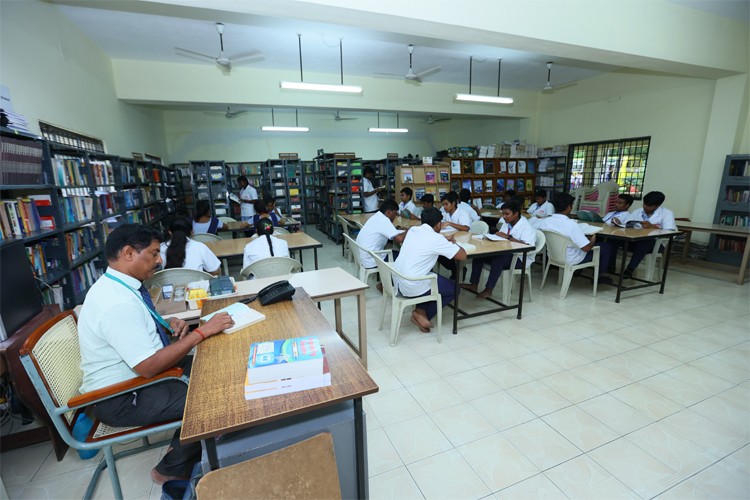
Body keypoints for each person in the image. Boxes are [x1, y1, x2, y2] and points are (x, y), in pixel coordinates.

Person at [77, 224, 235, 485]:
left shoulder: (120, 286)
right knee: (215, 397)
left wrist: (166, 323)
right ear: (129, 253)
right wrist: (202, 332)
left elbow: (136, 335)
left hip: (135, 381)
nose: (160, 260)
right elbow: (149, 367)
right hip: (122, 397)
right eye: (153, 254)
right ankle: (171, 469)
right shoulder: (116, 303)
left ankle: (183, 443)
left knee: (214, 368)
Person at [393, 207, 467, 332]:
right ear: (439, 224)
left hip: (398, 280)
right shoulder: (435, 239)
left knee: (435, 279)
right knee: (455, 289)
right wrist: (453, 243)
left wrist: (443, 239)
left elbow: (425, 241)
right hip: (413, 284)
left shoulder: (413, 230)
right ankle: (422, 313)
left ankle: (421, 310)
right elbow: (462, 256)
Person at [462, 200, 537, 299]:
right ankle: (474, 285)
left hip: (520, 258)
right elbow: (502, 238)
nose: (504, 217)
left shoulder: (526, 227)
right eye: (503, 214)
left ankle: (489, 289)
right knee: (479, 255)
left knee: (498, 259)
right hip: (505, 251)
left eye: (507, 214)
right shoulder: (508, 223)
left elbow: (528, 246)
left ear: (516, 214)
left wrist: (508, 237)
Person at [539, 193, 612, 283]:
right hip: (572, 259)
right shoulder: (571, 224)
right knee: (606, 246)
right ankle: (599, 276)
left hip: (553, 256)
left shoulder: (546, 221)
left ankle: (578, 271)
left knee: (579, 243)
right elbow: (586, 249)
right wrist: (592, 240)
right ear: (568, 207)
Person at [619, 190, 676, 278]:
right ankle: (610, 267)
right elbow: (626, 224)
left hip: (655, 244)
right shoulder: (638, 211)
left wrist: (652, 227)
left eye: (649, 206)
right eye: (644, 204)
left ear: (658, 205)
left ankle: (629, 269)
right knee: (613, 240)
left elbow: (669, 233)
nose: (645, 207)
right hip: (634, 240)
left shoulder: (667, 214)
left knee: (645, 241)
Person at [356, 199, 407, 273]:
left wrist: (396, 229)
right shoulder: (384, 220)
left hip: (364, 256)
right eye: (395, 214)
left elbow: (384, 230)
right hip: (371, 259)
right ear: (389, 212)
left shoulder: (377, 216)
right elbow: (400, 239)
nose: (395, 217)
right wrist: (409, 230)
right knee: (403, 257)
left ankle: (385, 281)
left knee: (396, 253)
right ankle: (389, 283)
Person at [438, 191, 472, 278]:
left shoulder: (462, 213)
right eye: (443, 205)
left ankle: (457, 270)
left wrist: (449, 223)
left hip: (462, 240)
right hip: (451, 239)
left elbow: (466, 228)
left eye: (446, 204)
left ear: (453, 203)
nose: (444, 207)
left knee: (446, 254)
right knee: (438, 253)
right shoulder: (446, 214)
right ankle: (456, 269)